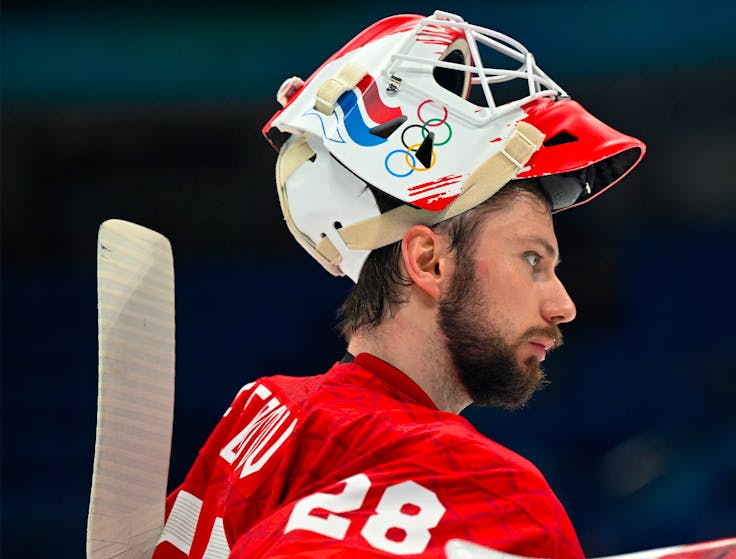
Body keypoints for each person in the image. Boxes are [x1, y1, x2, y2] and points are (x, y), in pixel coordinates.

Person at [153, 10, 644, 559]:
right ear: (429, 262)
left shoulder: (263, 413)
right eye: (532, 259)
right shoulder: (488, 494)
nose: (564, 304)